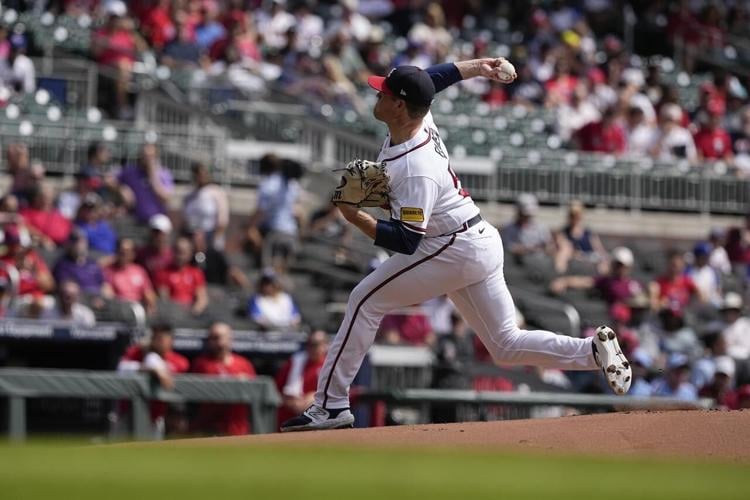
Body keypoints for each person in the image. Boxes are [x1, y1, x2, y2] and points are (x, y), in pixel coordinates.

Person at [281, 59, 632, 432]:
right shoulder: (419, 117)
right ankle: (591, 351)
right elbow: (430, 81)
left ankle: (331, 405)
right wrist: (480, 67)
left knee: (365, 300)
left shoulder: (416, 167)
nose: (376, 91)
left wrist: (355, 217)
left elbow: (406, 240)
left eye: (383, 91)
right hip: (475, 238)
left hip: (451, 246)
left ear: (399, 106)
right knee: (505, 344)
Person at [117, 323, 189, 434]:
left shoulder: (179, 361)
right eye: (154, 337)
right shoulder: (136, 352)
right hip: (128, 412)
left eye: (161, 338)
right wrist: (150, 368)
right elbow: (121, 368)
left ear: (171, 340)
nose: (157, 341)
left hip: (157, 416)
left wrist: (157, 367)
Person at [191, 322, 256, 436]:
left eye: (222, 337)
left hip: (238, 429)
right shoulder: (201, 364)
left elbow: (255, 395)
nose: (219, 342)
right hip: (209, 429)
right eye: (214, 338)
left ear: (230, 339)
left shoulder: (244, 364)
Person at [275, 330, 329, 429]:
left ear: (326, 345)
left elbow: (338, 395)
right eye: (310, 344)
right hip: (290, 419)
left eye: (316, 344)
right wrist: (290, 401)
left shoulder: (330, 366)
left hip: (318, 421)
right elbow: (277, 390)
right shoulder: (294, 362)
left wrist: (315, 398)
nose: (312, 348)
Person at [117, 144, 174, 224]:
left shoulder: (163, 173)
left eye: (150, 156)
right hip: (135, 220)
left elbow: (165, 198)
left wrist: (152, 175)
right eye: (144, 155)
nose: (147, 159)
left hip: (156, 224)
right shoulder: (130, 172)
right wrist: (121, 188)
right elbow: (109, 180)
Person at [154, 236, 208, 317]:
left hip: (192, 315)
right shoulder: (163, 273)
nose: (179, 256)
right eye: (177, 251)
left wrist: (193, 313)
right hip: (172, 315)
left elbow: (202, 298)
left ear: (190, 253)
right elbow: (164, 298)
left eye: (183, 252)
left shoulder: (196, 273)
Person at [182, 162, 229, 251]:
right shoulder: (189, 194)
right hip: (192, 239)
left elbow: (222, 222)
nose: (201, 177)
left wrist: (210, 240)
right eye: (198, 174)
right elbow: (185, 220)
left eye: (204, 173)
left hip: (211, 238)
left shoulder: (217, 192)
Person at [104, 238, 157, 315]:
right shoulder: (109, 271)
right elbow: (108, 294)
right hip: (119, 310)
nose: (124, 254)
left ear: (133, 254)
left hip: (138, 309)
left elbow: (148, 292)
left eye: (128, 251)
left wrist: (151, 303)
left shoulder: (139, 271)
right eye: (122, 251)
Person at [553, 200, 607, 273]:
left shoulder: (589, 233)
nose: (575, 218)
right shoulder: (562, 233)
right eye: (572, 215)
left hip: (587, 260)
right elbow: (560, 249)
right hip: (572, 261)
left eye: (577, 215)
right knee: (564, 252)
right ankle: (560, 276)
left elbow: (600, 251)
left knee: (603, 261)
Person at [500, 193, 553, 258]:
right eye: (524, 215)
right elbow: (508, 248)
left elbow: (549, 248)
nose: (526, 218)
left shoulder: (542, 228)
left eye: (529, 215)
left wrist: (546, 248)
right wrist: (527, 249)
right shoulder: (508, 228)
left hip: (538, 264)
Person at [136, 214, 174, 280]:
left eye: (161, 233)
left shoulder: (174, 254)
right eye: (155, 232)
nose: (158, 236)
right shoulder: (141, 254)